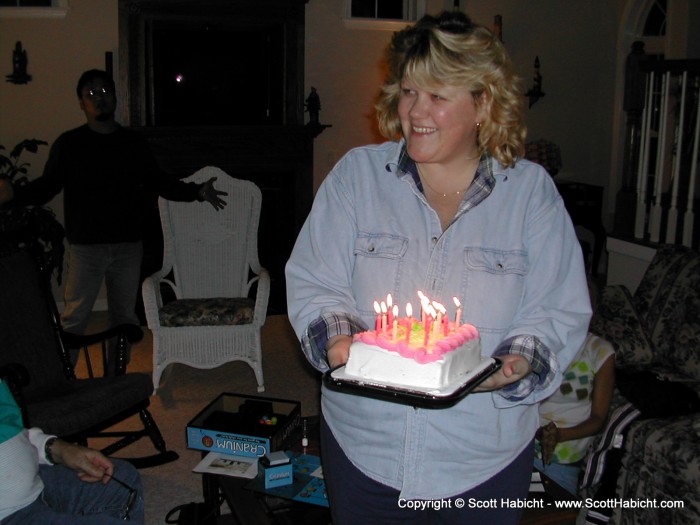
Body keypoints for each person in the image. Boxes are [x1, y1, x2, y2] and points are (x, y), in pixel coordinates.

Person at [285, 11, 591, 525]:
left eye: (437, 95)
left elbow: (555, 311)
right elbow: (316, 283)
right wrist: (343, 346)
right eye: (408, 92)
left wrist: (511, 368)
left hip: (480, 461)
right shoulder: (357, 178)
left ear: (483, 104)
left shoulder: (531, 194)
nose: (415, 112)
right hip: (366, 452)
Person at [0, 69, 227, 373]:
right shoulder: (70, 144)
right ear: (81, 103)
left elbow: (159, 181)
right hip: (86, 250)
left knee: (124, 317)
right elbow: (47, 186)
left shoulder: (133, 144)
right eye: (91, 93)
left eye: (105, 91)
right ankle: (63, 377)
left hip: (127, 247)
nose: (99, 98)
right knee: (76, 318)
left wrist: (197, 192)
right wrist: (13, 193)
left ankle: (115, 376)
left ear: (115, 97)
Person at [0, 378, 144, 523]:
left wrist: (57, 449)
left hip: (36, 483)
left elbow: (11, 427)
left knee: (123, 478)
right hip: (8, 514)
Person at [534, 282, 615, 496]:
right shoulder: (540, 342)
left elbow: (598, 418)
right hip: (523, 447)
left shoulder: (599, 351)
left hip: (563, 459)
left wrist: (560, 435)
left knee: (553, 515)